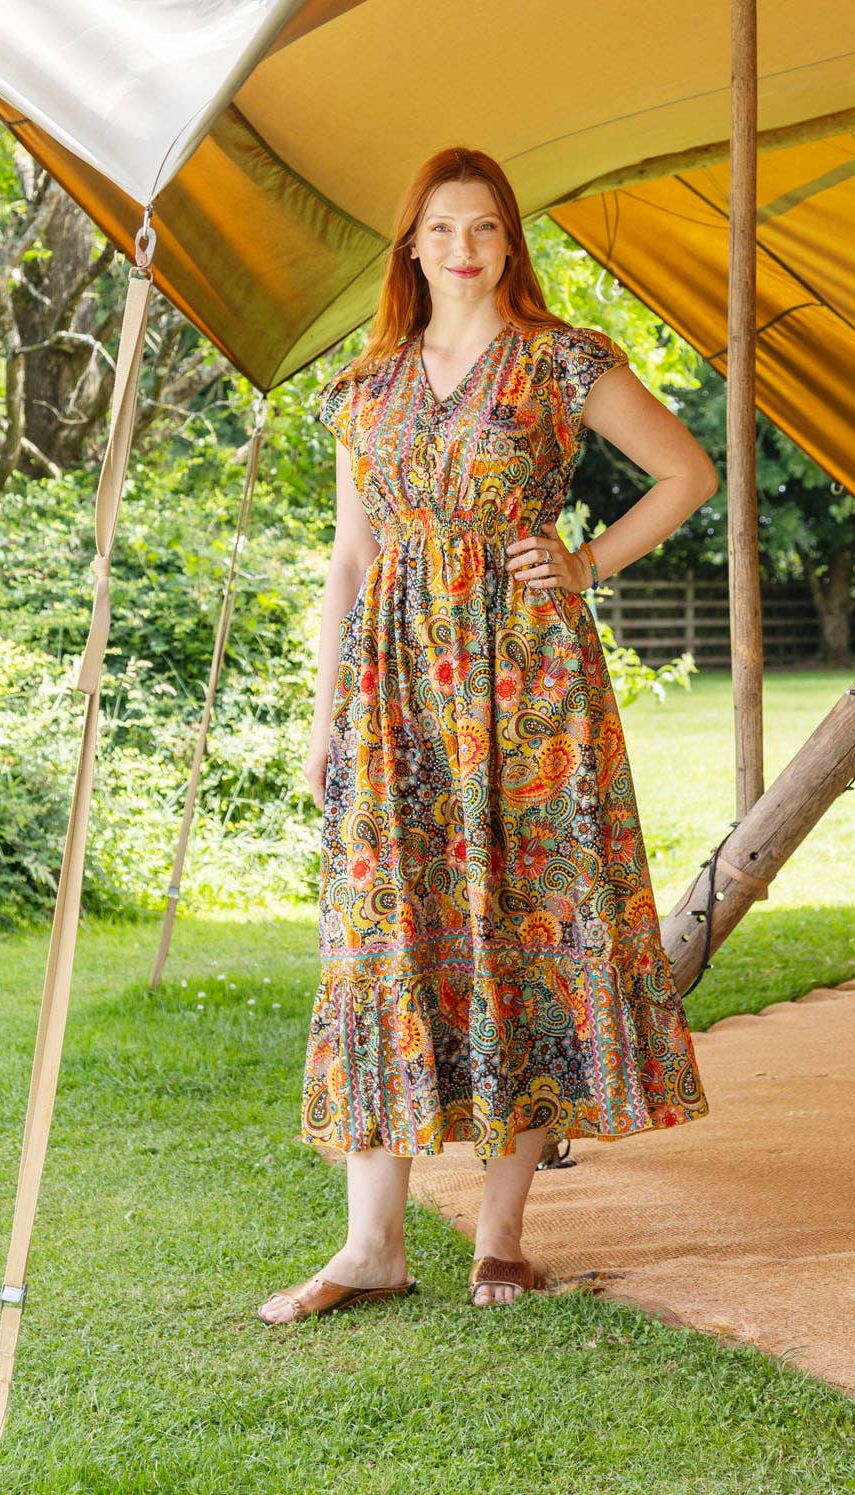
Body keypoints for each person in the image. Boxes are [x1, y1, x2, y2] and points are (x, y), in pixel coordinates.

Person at [258, 145, 718, 1323]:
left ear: (510, 240)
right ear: (410, 246)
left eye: (484, 227)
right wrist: (324, 717)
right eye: (441, 228)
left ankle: (500, 1238)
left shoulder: (563, 361)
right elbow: (350, 559)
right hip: (395, 693)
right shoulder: (366, 387)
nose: (462, 247)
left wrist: (585, 561)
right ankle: (371, 1246)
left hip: (528, 683)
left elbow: (686, 472)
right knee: (385, 933)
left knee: (524, 926)